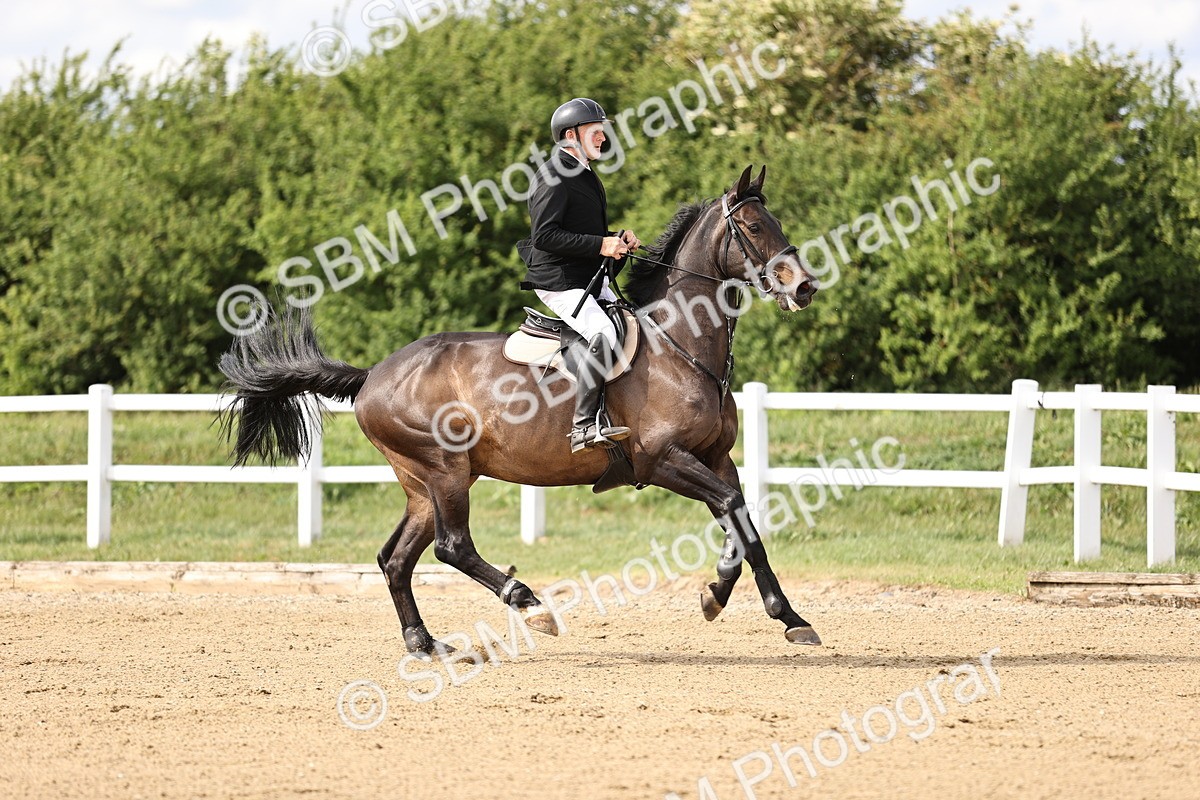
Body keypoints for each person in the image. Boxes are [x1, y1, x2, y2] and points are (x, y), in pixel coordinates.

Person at [519, 97, 641, 454]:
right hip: (559, 280)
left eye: (603, 132)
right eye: (596, 132)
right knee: (604, 331)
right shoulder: (554, 173)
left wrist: (617, 243)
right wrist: (600, 245)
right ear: (571, 135)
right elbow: (545, 235)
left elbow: (582, 235)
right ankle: (584, 426)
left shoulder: (584, 173)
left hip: (584, 277)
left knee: (633, 322)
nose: (603, 138)